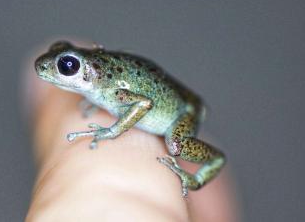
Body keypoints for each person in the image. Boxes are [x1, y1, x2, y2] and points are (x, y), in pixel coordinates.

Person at [24, 41, 239, 222]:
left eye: (67, 65)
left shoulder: (113, 91)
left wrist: (113, 131)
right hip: (155, 85)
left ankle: (205, 171)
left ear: (89, 72)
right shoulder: (103, 87)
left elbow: (143, 104)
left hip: (181, 112)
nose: (47, 67)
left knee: (177, 145)